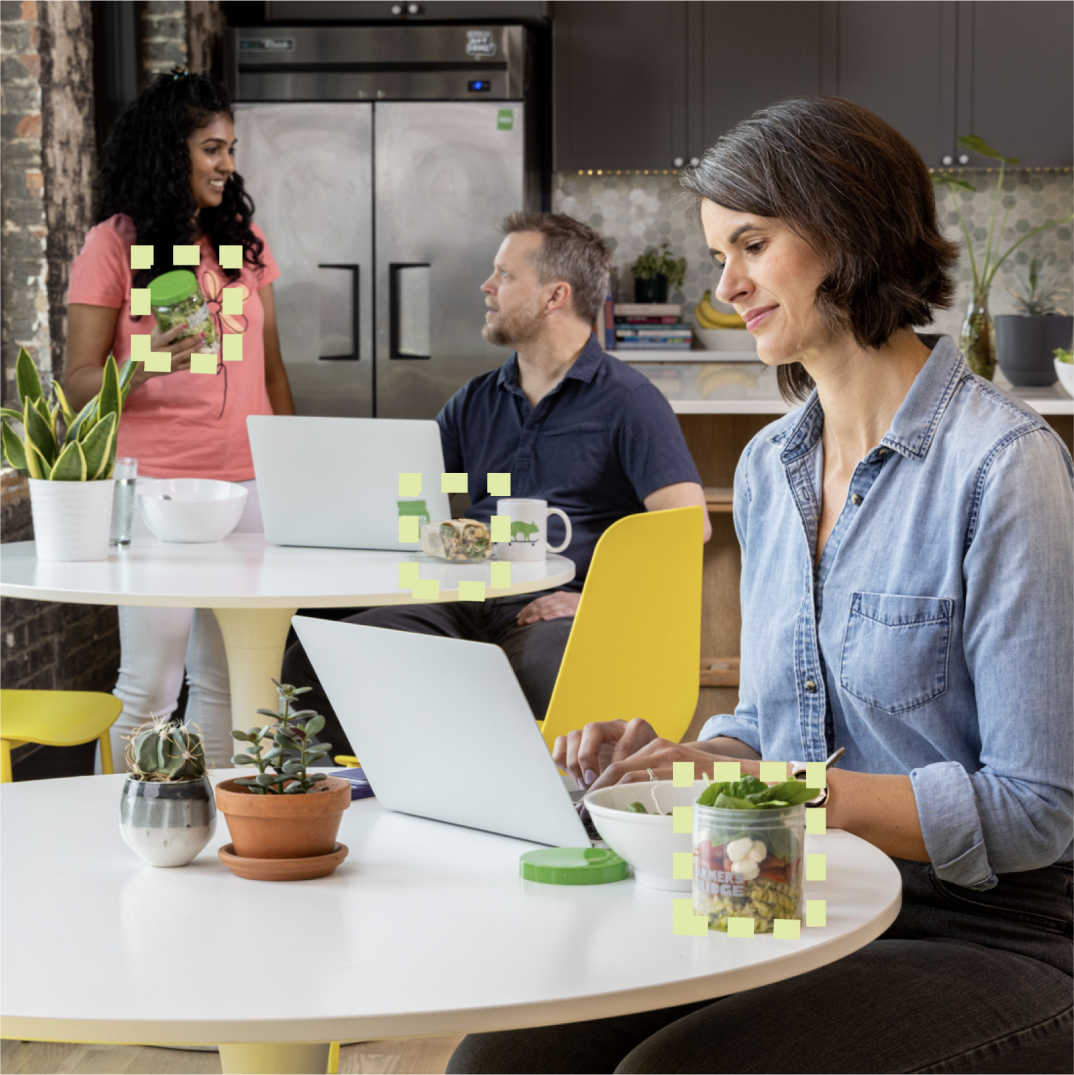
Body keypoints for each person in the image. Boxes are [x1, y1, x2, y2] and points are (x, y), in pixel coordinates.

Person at [448, 99, 1073, 1074]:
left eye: (752, 244)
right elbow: (779, 722)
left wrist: (759, 788)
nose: (726, 285)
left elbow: (1035, 808)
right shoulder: (771, 467)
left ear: (849, 232)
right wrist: (685, 756)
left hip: (989, 933)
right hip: (789, 890)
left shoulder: (1004, 469)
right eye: (717, 253)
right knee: (505, 1053)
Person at [281, 212, 710, 755]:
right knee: (326, 651)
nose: (487, 287)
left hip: (554, 609)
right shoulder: (477, 400)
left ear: (555, 296)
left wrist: (590, 601)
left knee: (541, 673)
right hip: (462, 599)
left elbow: (687, 525)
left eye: (504, 275)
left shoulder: (628, 402)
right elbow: (417, 493)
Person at [63, 68, 296, 768]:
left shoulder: (241, 241)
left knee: (229, 681)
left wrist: (294, 474)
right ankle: (122, 825)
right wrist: (148, 360)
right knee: (151, 684)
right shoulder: (115, 244)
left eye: (230, 149)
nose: (227, 165)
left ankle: (225, 834)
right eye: (212, 149)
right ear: (172, 152)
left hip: (248, 485)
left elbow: (273, 370)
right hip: (157, 489)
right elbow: (76, 387)